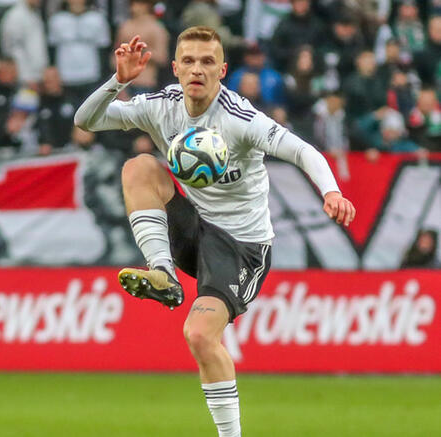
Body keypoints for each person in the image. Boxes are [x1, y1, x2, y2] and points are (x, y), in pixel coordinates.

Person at [74, 27, 356, 437]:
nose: (197, 70)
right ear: (174, 68)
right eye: (188, 61)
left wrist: (330, 190)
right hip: (195, 226)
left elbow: (301, 150)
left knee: (200, 336)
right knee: (138, 167)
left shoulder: (240, 119)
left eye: (207, 62)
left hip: (241, 247)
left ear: (222, 70)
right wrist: (118, 80)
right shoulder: (160, 106)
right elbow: (87, 120)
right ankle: (164, 274)